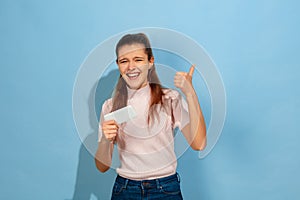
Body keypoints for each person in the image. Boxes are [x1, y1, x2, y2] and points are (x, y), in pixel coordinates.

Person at [95, 33, 206, 199]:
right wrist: (105, 140)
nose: (131, 66)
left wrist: (190, 93)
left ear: (150, 62)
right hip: (125, 190)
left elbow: (199, 143)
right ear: (118, 65)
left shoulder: (169, 99)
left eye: (138, 59)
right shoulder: (110, 106)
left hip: (165, 189)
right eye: (124, 61)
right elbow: (102, 166)